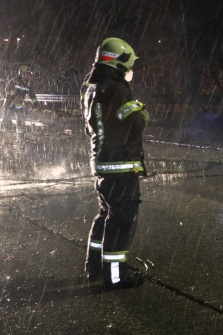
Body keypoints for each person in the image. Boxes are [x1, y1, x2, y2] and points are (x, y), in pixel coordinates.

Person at [82, 37, 149, 290]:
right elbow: (131, 122)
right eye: (128, 64)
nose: (130, 69)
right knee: (122, 222)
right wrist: (141, 111)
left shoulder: (91, 88)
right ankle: (116, 277)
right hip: (120, 165)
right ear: (118, 61)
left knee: (105, 215)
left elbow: (97, 128)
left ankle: (94, 267)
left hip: (101, 165)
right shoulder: (116, 88)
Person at [0, 65, 39, 143]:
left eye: (29, 74)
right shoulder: (14, 82)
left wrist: (35, 103)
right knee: (6, 120)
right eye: (26, 74)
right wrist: (7, 106)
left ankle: (20, 138)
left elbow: (31, 94)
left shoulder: (26, 84)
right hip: (11, 104)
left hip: (19, 105)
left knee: (21, 121)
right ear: (21, 73)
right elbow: (8, 95)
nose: (28, 76)